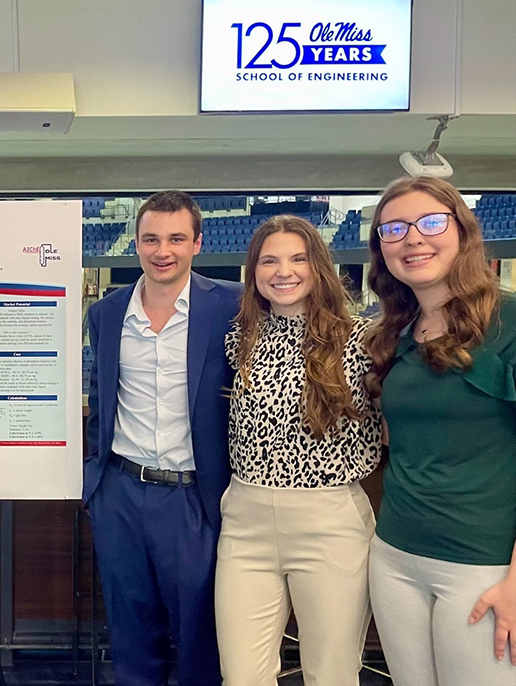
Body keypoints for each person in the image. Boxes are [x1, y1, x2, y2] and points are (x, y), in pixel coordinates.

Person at [215, 215, 382, 685]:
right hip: (245, 521)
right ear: (254, 271)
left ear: (318, 267)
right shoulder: (240, 339)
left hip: (329, 521)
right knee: (242, 676)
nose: (282, 271)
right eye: (269, 260)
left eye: (297, 258)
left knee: (330, 674)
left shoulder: (360, 340)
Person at [84, 190, 241, 686]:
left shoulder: (231, 305)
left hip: (194, 497)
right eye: (151, 239)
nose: (162, 250)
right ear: (136, 244)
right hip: (121, 493)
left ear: (198, 242)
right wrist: (97, 485)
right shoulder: (107, 314)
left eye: (176, 238)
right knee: (131, 636)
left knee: (200, 639)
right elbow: (101, 400)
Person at [364, 176, 516, 686]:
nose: (413, 238)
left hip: (481, 565)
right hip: (395, 556)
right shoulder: (396, 332)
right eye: (394, 228)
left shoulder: (509, 321)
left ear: (462, 231)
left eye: (430, 222)